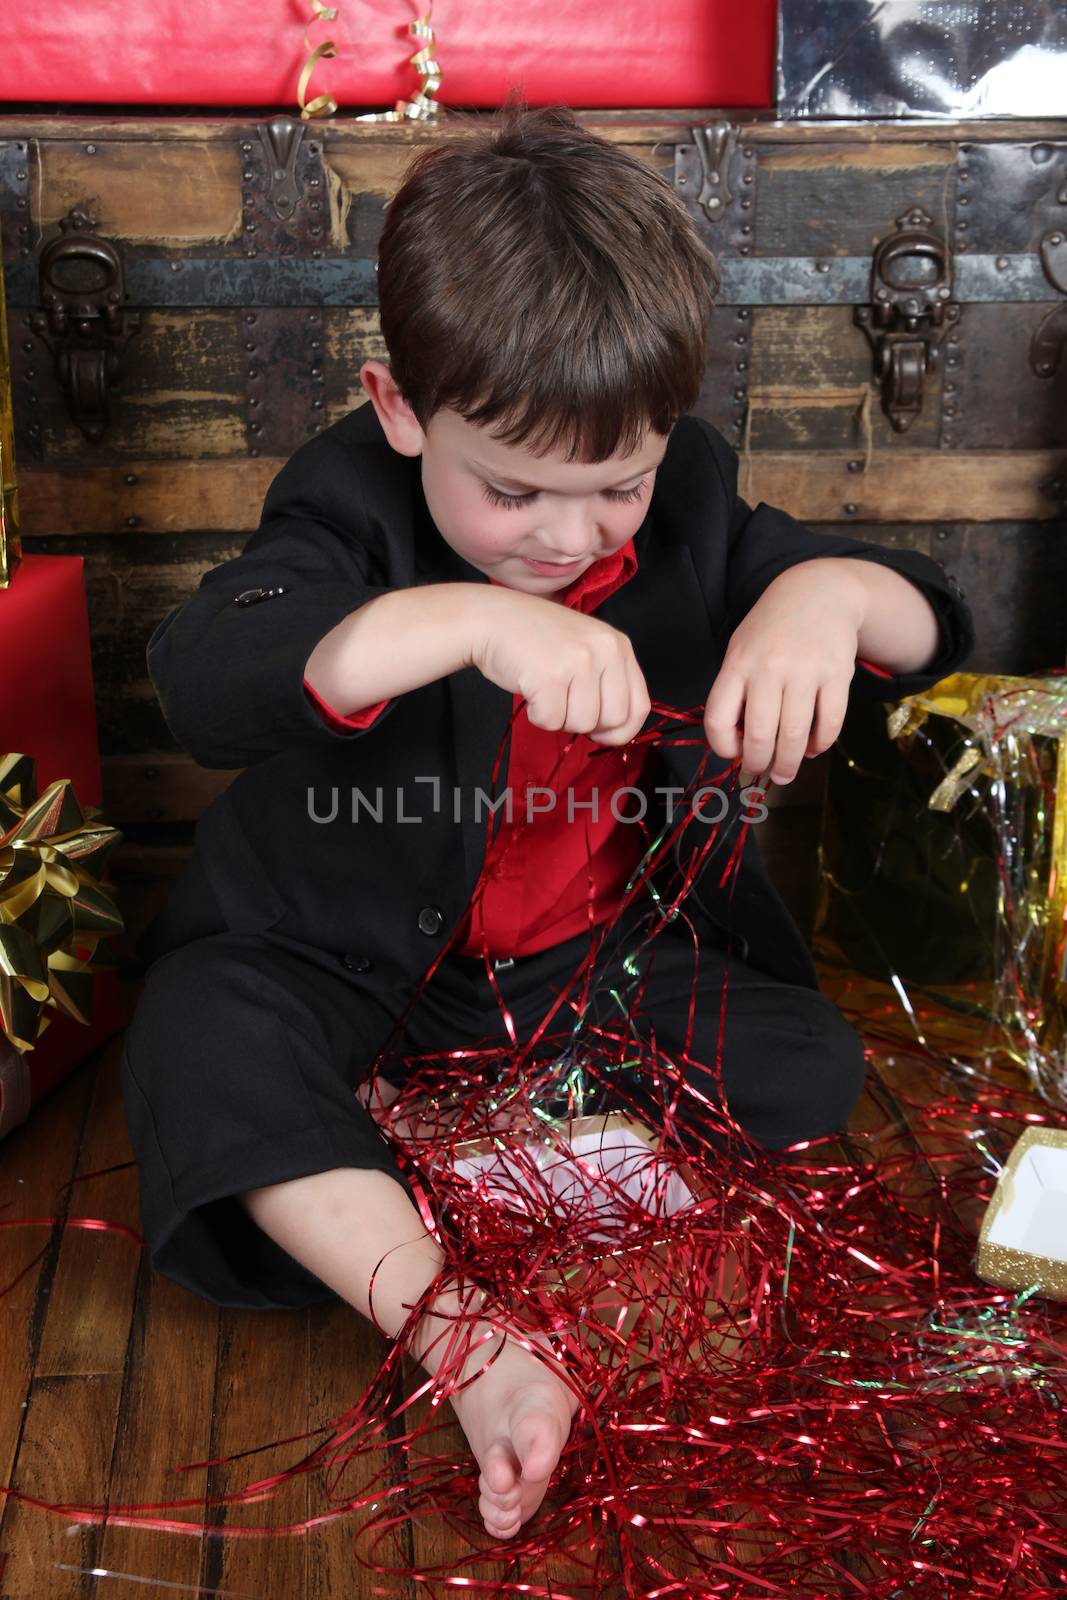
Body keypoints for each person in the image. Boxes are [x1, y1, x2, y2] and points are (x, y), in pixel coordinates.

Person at [120, 99, 975, 1543]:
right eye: (513, 490)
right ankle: (458, 1330)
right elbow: (211, 671)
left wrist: (820, 597)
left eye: (616, 486)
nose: (573, 538)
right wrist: (454, 618)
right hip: (347, 963)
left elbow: (927, 616)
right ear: (403, 411)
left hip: (585, 969)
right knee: (202, 1039)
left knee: (806, 1068)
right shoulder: (349, 500)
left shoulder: (687, 500)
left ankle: (452, 1140)